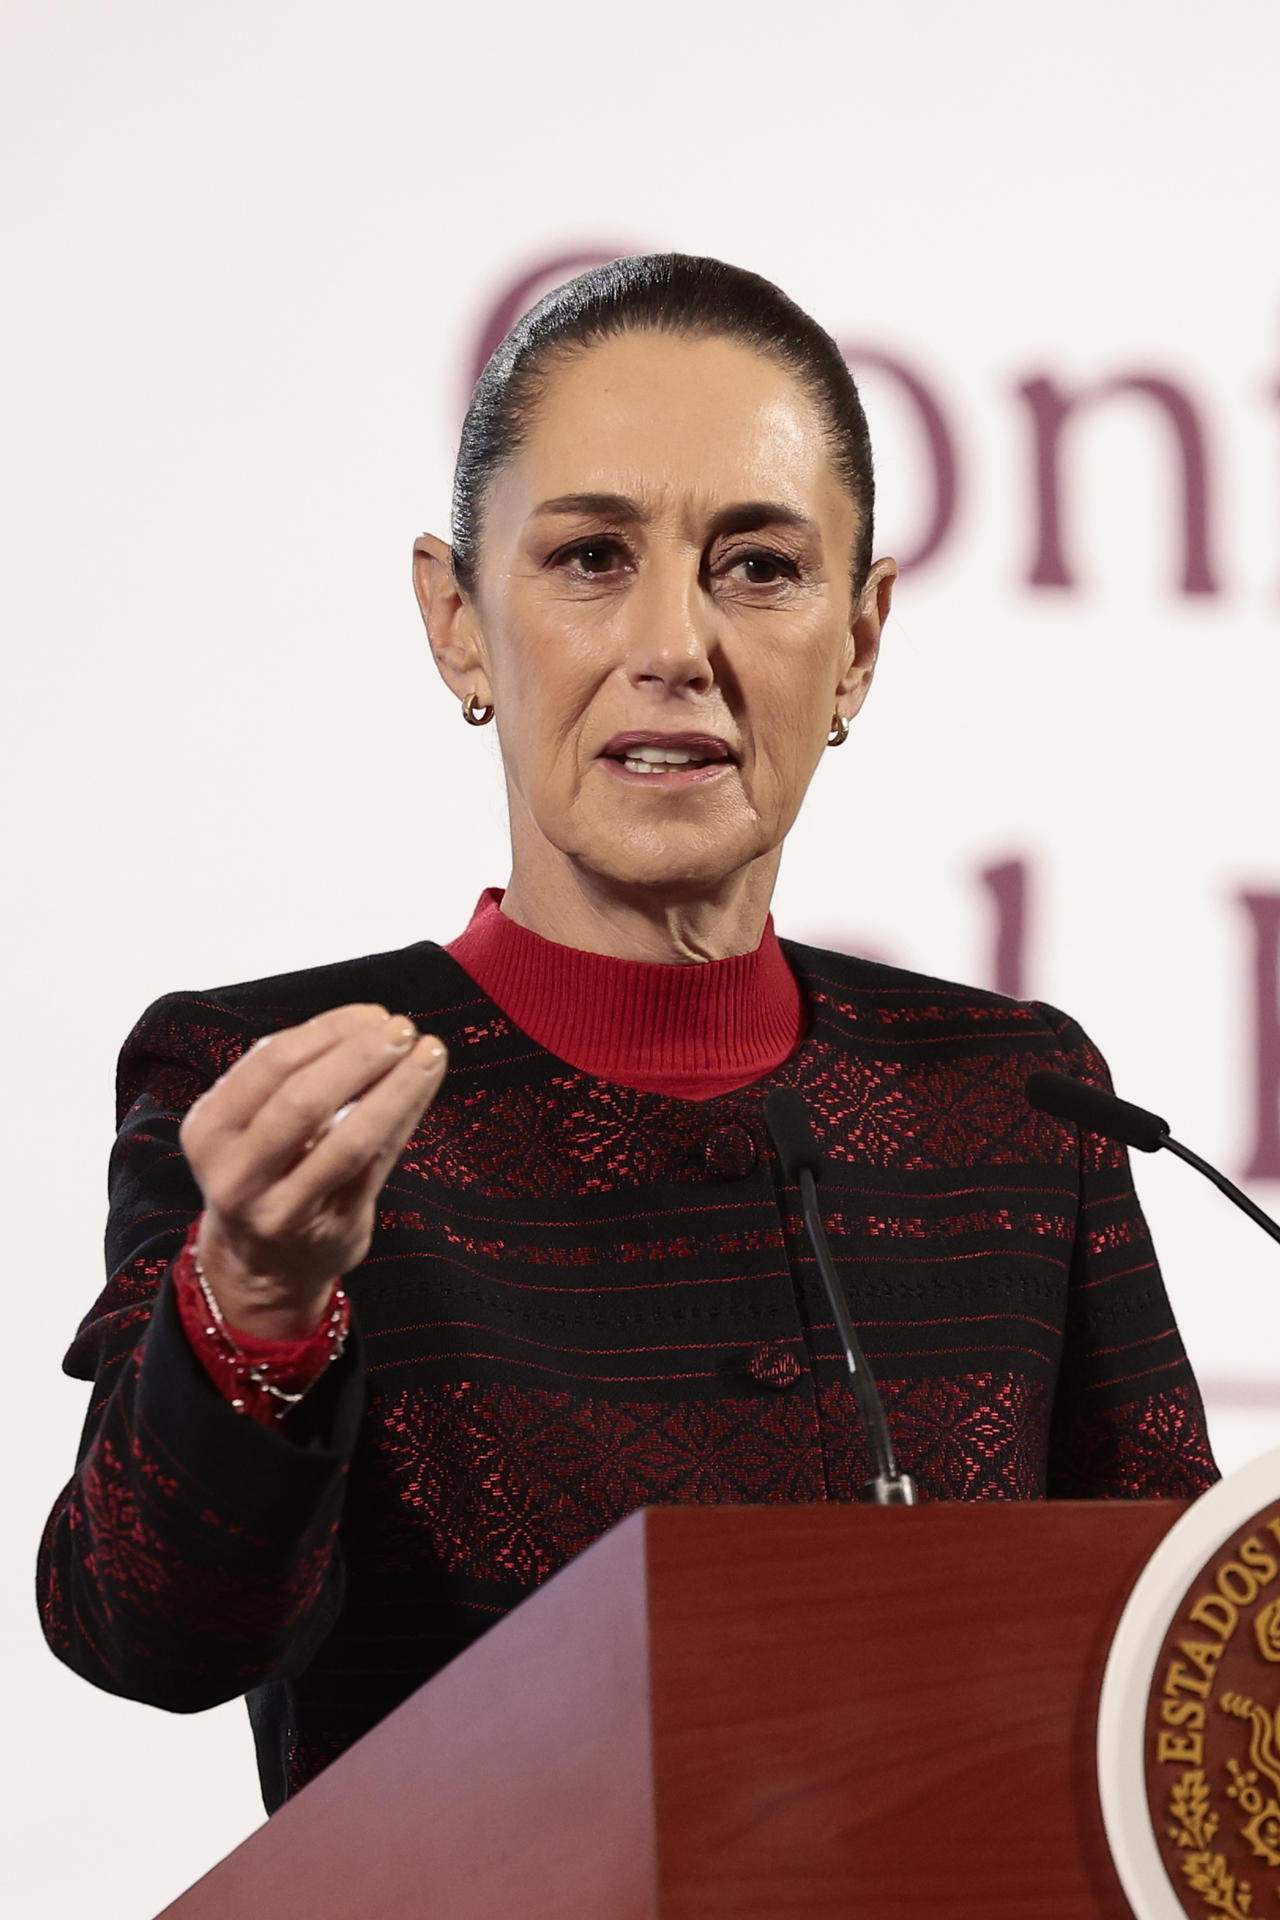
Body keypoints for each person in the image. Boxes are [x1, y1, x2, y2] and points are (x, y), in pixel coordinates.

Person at [37, 253, 1217, 1813]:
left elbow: (1190, 1677)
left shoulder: (1017, 1103)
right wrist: (253, 1301)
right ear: (458, 624)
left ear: (860, 642)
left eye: (759, 567)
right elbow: (149, 1633)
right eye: (592, 559)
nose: (675, 641)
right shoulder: (274, 1097)